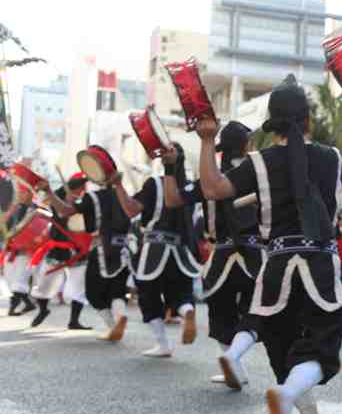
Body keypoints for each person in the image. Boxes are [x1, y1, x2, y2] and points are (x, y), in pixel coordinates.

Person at [197, 74, 342, 414]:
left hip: (277, 265)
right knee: (320, 350)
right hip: (320, 265)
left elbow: (214, 189)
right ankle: (285, 397)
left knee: (281, 344)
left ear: (271, 124)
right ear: (308, 121)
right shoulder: (333, 159)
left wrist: (205, 140)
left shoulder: (258, 163)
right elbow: (335, 216)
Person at [159, 123, 263, 386]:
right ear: (247, 146)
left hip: (220, 258)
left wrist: (170, 167)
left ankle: (233, 363)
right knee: (257, 313)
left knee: (221, 315)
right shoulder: (261, 174)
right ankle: (234, 357)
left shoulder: (209, 179)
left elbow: (171, 200)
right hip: (255, 255)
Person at [112, 144, 202, 358]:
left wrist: (118, 186)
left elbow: (132, 209)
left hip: (154, 248)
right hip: (181, 250)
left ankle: (163, 344)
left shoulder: (155, 183)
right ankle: (187, 311)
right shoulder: (188, 187)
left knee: (148, 295)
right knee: (181, 294)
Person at [42, 147, 131, 342]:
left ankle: (113, 325)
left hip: (101, 249)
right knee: (116, 290)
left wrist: (50, 192)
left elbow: (65, 212)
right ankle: (120, 315)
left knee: (93, 292)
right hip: (124, 250)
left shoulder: (94, 197)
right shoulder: (124, 195)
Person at [29, 173, 91, 329]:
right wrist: (63, 199)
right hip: (58, 248)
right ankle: (43, 310)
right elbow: (60, 211)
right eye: (81, 188)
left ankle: (74, 321)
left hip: (79, 250)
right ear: (76, 188)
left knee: (77, 287)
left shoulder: (86, 201)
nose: (83, 190)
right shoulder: (58, 197)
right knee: (44, 284)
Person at [2, 183, 38, 317]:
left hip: (27, 251)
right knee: (10, 280)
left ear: (30, 194)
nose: (20, 196)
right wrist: (12, 207)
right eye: (19, 193)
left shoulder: (37, 210)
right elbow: (5, 222)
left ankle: (12, 308)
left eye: (23, 193)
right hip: (12, 250)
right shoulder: (16, 209)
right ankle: (28, 303)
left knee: (19, 281)